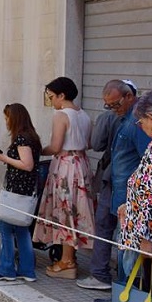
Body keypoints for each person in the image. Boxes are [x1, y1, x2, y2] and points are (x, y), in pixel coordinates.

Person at [79, 80, 146, 291]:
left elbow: (147, 162)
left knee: (127, 244)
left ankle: (126, 291)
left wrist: (135, 196)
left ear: (129, 97)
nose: (111, 109)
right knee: (119, 239)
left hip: (130, 193)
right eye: (107, 106)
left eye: (115, 104)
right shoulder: (122, 119)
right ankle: (119, 288)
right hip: (118, 187)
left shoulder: (137, 124)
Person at [33, 77, 94, 279]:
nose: (51, 102)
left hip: (66, 165)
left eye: (52, 97)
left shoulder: (61, 115)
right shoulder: (84, 114)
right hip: (82, 164)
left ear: (61, 95)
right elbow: (89, 143)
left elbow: (56, 146)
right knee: (77, 210)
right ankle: (70, 257)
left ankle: (67, 262)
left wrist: (38, 150)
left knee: (65, 208)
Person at [0, 103, 42, 282]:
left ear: (14, 119)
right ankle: (27, 270)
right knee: (22, 229)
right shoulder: (32, 137)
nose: (6, 122)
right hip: (25, 189)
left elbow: (27, 164)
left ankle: (6, 268)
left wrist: (2, 157)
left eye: (7, 118)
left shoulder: (22, 139)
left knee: (5, 226)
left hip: (17, 190)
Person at [118, 89, 152, 277]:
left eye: (141, 121)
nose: (140, 126)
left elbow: (151, 195)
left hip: (149, 238)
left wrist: (146, 237)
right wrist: (129, 205)